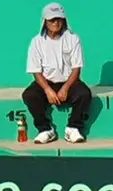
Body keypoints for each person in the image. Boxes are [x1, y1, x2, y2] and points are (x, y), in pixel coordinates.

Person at [23, 2, 91, 144]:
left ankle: (73, 128)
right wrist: (47, 90)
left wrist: (65, 88)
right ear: (45, 21)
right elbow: (35, 71)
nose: (56, 23)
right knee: (29, 95)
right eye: (52, 19)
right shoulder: (36, 42)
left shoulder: (73, 39)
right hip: (46, 82)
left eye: (59, 19)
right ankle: (45, 129)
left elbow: (77, 68)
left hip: (69, 81)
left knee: (84, 94)